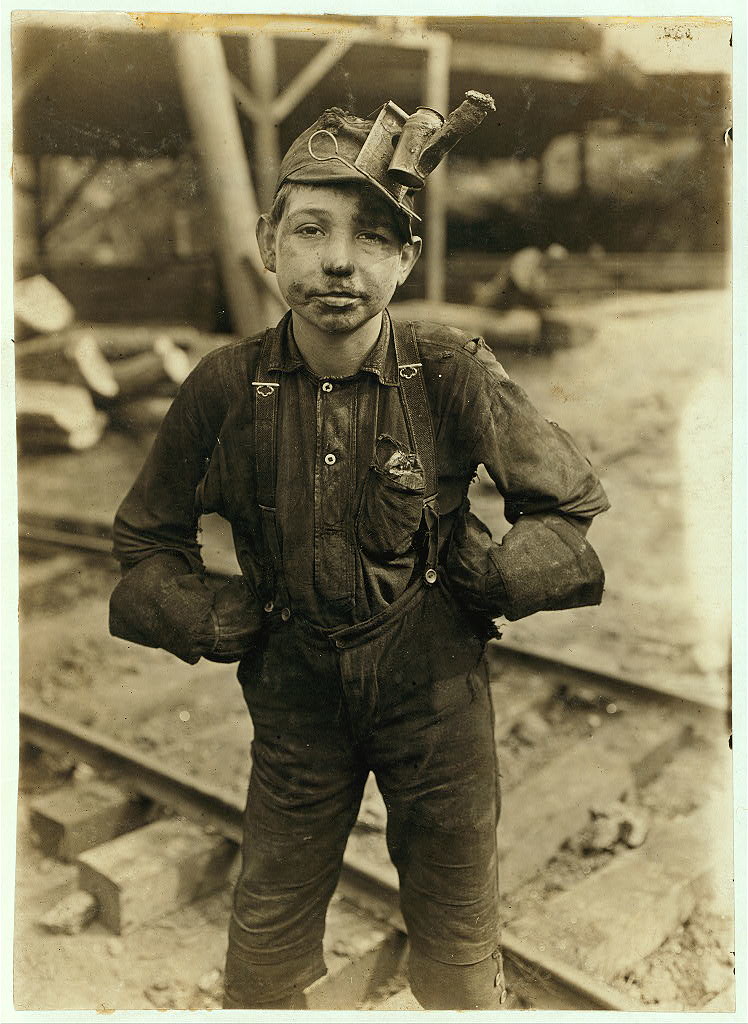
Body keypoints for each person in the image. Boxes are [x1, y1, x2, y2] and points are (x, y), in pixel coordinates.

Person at [109, 96, 610, 1010]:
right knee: (266, 939)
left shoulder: (452, 369)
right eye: (311, 229)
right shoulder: (223, 387)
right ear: (269, 244)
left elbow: (569, 514)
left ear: (406, 259)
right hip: (296, 705)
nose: (340, 260)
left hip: (437, 701)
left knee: (458, 942)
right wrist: (206, 614)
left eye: (374, 237)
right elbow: (142, 547)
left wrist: (503, 573)